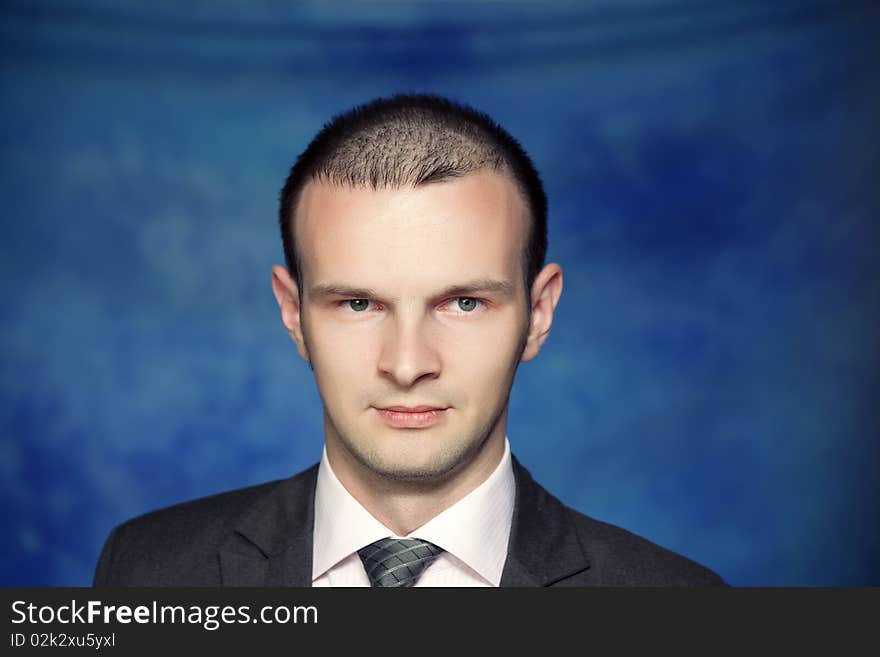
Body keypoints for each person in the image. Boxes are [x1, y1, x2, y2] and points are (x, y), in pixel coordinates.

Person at [93, 93, 725, 587]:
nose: (407, 363)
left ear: (537, 314)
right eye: (359, 303)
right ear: (293, 314)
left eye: (464, 302)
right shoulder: (147, 573)